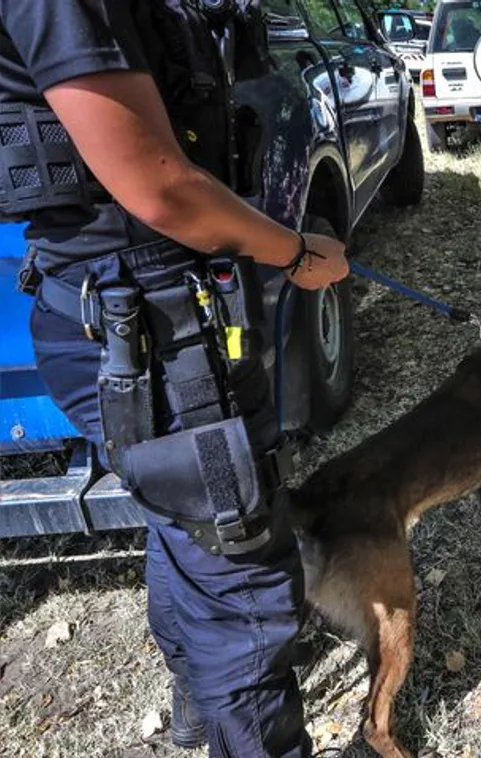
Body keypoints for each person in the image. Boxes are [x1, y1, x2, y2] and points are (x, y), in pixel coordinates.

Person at [2, 4, 350, 756]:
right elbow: (161, 191)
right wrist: (294, 253)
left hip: (136, 318)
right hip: (153, 334)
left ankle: (199, 714)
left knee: (188, 523)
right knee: (244, 588)